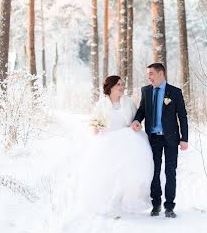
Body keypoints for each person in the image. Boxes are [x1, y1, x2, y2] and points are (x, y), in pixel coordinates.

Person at [80, 75, 154, 217]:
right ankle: (108, 202)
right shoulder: (101, 104)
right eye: (118, 85)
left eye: (122, 84)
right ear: (111, 87)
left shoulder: (128, 103)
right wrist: (96, 128)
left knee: (126, 173)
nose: (121, 87)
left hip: (128, 141)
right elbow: (95, 121)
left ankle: (119, 202)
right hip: (108, 141)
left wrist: (137, 126)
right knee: (108, 173)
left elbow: (136, 120)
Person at [131, 62, 188, 218]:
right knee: (154, 171)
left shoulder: (175, 92)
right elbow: (142, 110)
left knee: (170, 172)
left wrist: (184, 138)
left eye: (151, 74)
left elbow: (182, 116)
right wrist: (137, 120)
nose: (148, 77)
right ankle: (155, 204)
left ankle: (169, 206)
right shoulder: (146, 91)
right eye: (148, 74)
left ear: (161, 74)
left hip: (171, 138)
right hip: (153, 138)